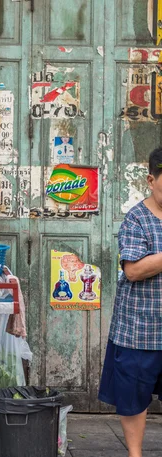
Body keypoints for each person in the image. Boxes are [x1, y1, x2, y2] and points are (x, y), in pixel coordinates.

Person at [99, 147, 162, 457]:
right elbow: (134, 270)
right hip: (140, 330)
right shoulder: (137, 218)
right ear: (151, 180)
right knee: (134, 397)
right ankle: (135, 454)